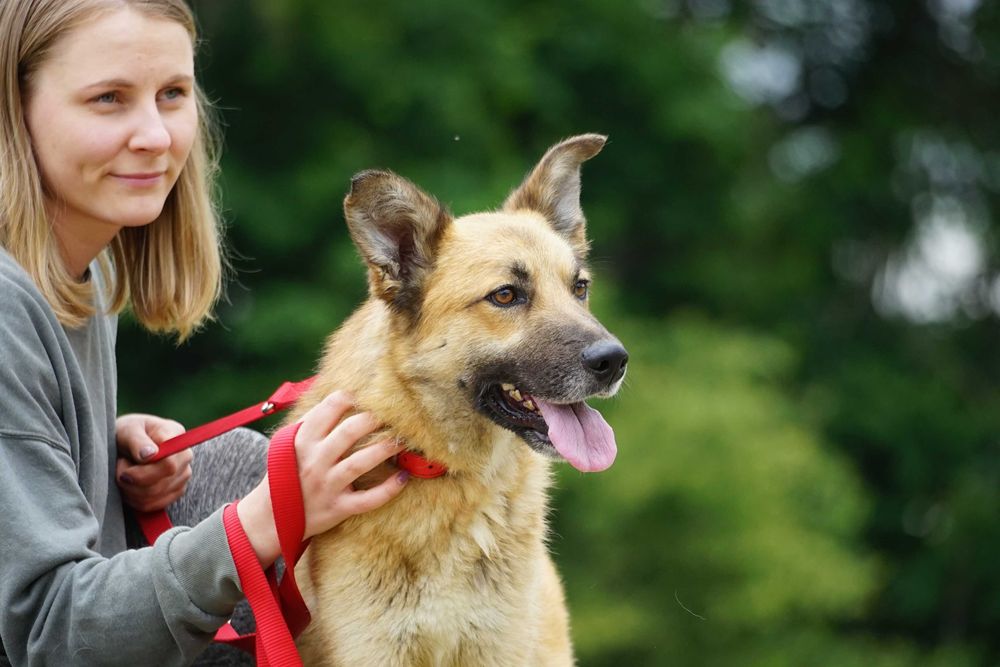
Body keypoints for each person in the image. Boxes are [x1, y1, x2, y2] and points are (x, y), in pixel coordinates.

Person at [0, 1, 410, 665]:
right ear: (13, 110)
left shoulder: (86, 274)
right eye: (108, 98)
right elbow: (49, 633)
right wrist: (269, 516)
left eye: (172, 94)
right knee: (256, 491)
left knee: (233, 463)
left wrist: (97, 450)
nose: (155, 136)